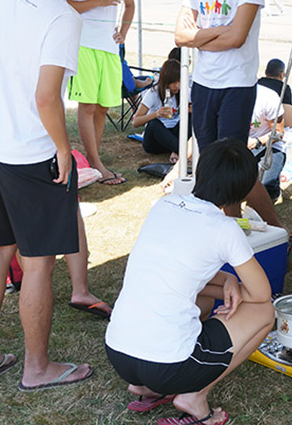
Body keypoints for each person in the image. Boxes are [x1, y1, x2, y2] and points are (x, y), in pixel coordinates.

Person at [0, 0, 114, 390]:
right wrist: (61, 148)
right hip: (30, 155)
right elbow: (48, 98)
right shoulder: (62, 16)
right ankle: (37, 368)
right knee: (38, 263)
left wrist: (3, 116)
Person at [106, 138, 273, 425]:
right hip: (167, 365)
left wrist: (229, 281)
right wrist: (233, 282)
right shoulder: (224, 228)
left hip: (119, 354)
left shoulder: (164, 205)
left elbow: (179, 271)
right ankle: (194, 395)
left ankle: (147, 388)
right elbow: (261, 294)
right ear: (243, 192)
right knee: (265, 312)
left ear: (200, 171)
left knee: (204, 299)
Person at [174, 0, 288, 238]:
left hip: (236, 84)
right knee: (208, 165)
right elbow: (180, 37)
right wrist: (215, 33)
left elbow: (238, 37)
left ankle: (273, 230)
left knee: (235, 164)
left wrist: (200, 37)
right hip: (203, 84)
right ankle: (223, 230)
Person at [68, 0, 135, 186]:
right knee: (87, 106)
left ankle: (91, 160)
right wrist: (100, 1)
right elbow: (65, 3)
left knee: (103, 106)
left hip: (109, 47)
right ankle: (95, 164)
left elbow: (130, 5)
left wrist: (123, 31)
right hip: (83, 43)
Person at [132, 59, 187, 164]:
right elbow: (135, 122)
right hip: (155, 141)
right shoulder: (153, 93)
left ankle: (176, 150)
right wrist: (156, 114)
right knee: (153, 124)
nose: (177, 86)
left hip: (174, 135)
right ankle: (183, 151)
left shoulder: (184, 91)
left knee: (192, 118)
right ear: (166, 81)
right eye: (174, 82)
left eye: (179, 82)